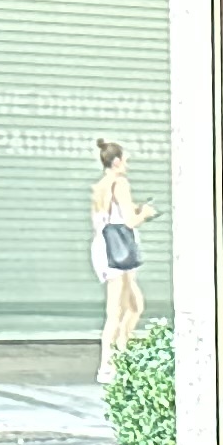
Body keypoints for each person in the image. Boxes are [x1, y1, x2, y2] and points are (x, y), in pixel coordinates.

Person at [87, 139, 153, 379]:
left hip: (107, 248)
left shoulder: (100, 187)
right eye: (125, 160)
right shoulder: (120, 183)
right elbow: (130, 221)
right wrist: (145, 213)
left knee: (133, 306)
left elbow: (105, 219)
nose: (127, 164)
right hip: (118, 251)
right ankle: (108, 365)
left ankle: (121, 353)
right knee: (117, 311)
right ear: (116, 162)